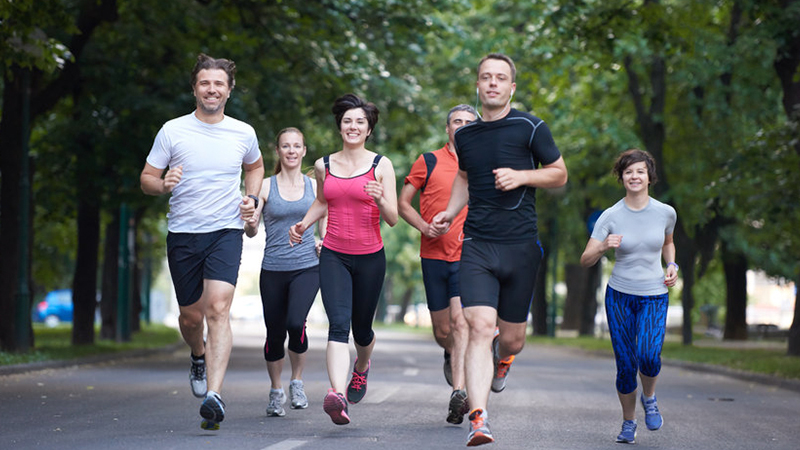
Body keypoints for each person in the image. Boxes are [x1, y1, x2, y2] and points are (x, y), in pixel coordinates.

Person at [432, 53, 568, 446]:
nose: (492, 83)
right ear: (478, 85)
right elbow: (463, 176)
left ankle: (503, 359)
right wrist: (449, 212)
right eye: (486, 77)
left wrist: (523, 175)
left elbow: (559, 173)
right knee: (476, 327)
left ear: (512, 87)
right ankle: (479, 418)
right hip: (477, 244)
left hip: (521, 246)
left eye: (500, 78)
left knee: (512, 340)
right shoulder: (466, 135)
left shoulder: (530, 126)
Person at [140, 53, 264, 430]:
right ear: (195, 87)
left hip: (225, 230)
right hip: (183, 233)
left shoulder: (243, 132)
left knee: (218, 307)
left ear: (229, 90)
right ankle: (197, 353)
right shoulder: (172, 131)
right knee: (191, 317)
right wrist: (163, 185)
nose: (212, 89)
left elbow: (256, 166)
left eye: (219, 84)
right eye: (205, 83)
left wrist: (253, 199)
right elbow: (146, 178)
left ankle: (215, 394)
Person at [289, 93, 398, 426]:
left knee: (361, 329)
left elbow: (393, 218)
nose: (353, 126)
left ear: (368, 130)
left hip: (370, 257)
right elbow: (323, 202)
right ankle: (337, 395)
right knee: (338, 325)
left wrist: (380, 200)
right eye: (347, 121)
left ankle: (361, 368)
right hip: (334, 253)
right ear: (340, 126)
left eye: (360, 122)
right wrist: (304, 224)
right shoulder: (324, 165)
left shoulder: (382, 165)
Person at [579, 149, 677, 444]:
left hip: (654, 295)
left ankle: (650, 397)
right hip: (619, 295)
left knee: (648, 356)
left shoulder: (665, 212)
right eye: (628, 172)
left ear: (650, 177)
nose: (635, 176)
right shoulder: (610, 216)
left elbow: (669, 243)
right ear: (621, 178)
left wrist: (671, 264)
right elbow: (585, 259)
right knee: (625, 364)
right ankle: (628, 423)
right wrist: (603, 246)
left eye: (640, 171)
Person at [399, 104, 477, 425]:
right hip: (432, 255)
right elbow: (403, 203)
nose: (461, 126)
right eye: (456, 122)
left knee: (460, 324)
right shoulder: (428, 160)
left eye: (468, 123)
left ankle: (459, 392)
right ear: (447, 129)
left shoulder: (483, 162)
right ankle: (450, 353)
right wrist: (423, 226)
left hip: (468, 254)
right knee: (442, 330)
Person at [244, 128, 325, 418]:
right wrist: (251, 223)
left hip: (307, 266)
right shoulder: (265, 186)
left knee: (295, 322)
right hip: (273, 269)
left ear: (304, 151)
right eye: (285, 146)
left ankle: (297, 382)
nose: (291, 151)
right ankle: (276, 390)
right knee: (275, 332)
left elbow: (324, 215)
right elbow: (251, 231)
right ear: (277, 151)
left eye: (296, 146)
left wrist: (323, 241)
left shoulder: (316, 185)